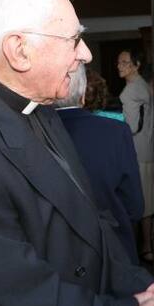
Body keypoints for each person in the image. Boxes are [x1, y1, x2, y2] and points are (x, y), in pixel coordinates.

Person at [0, 0, 154, 306]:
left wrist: (138, 282)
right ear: (19, 51)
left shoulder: (45, 112)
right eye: (74, 40)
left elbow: (92, 221)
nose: (87, 55)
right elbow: (21, 294)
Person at [56, 65, 144, 264]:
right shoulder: (116, 132)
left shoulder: (30, 132)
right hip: (114, 251)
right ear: (83, 95)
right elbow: (135, 206)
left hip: (61, 258)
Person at [117, 48, 154, 263]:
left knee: (142, 201)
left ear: (136, 65)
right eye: (119, 62)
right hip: (146, 148)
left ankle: (144, 247)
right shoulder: (142, 86)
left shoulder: (131, 91)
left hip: (137, 151)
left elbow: (130, 127)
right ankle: (147, 245)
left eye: (125, 62)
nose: (119, 66)